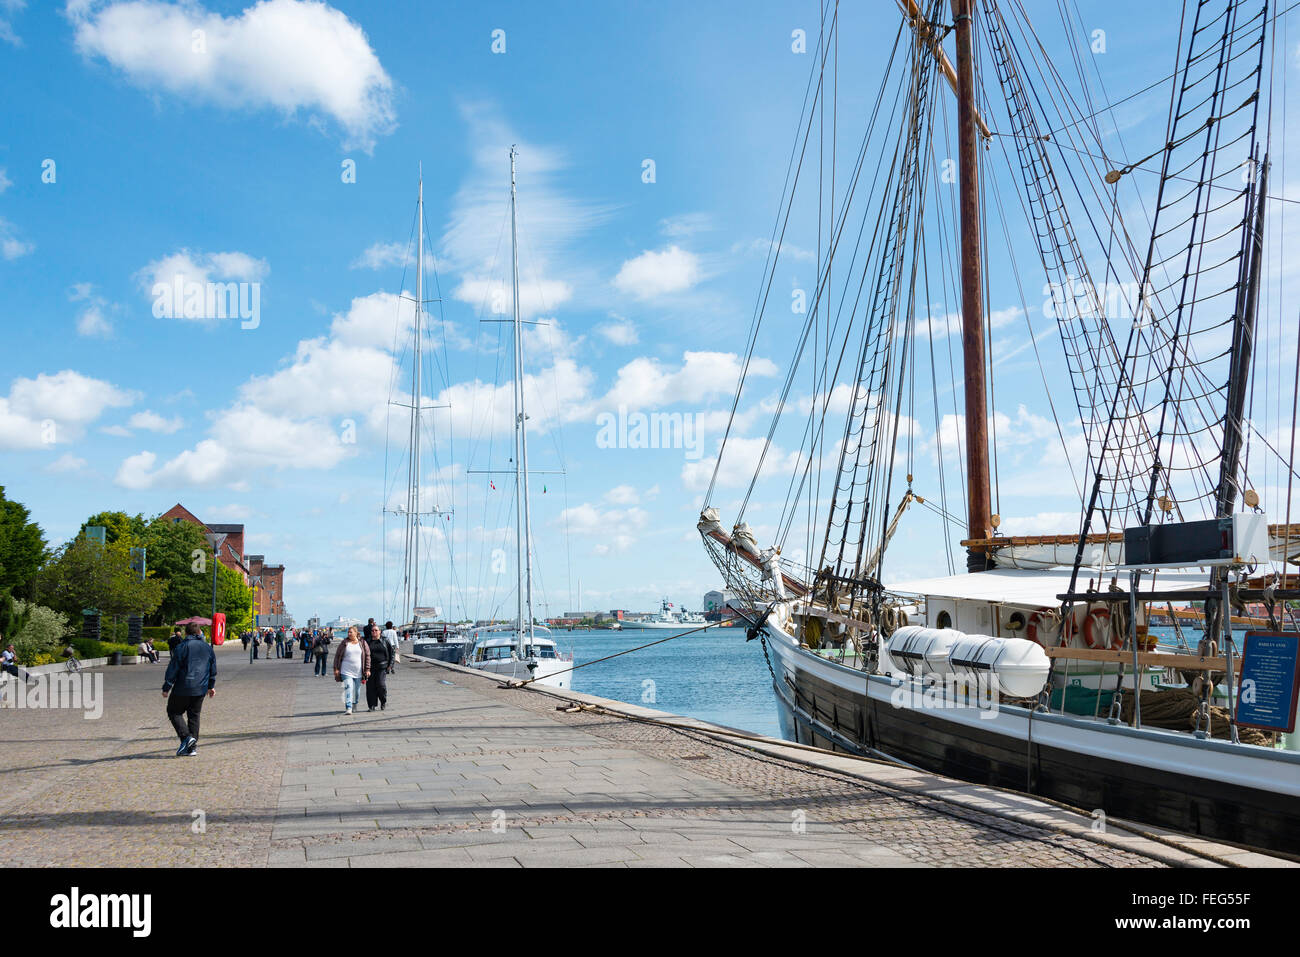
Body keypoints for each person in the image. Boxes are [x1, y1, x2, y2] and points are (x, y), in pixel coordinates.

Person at [161, 623, 216, 757]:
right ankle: (192, 747)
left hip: (183, 687)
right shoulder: (207, 648)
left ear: (186, 633)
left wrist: (167, 686)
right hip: (200, 688)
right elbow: (212, 669)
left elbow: (173, 668)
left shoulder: (182, 647)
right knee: (194, 716)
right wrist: (211, 686)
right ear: (199, 632)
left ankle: (186, 738)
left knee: (174, 711)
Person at [332, 626, 370, 715]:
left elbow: (368, 656)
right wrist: (336, 669)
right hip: (346, 670)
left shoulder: (362, 643)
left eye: (351, 632)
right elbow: (337, 656)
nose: (349, 634)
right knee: (348, 687)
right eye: (348, 632)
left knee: (357, 691)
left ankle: (355, 703)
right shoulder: (344, 643)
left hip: (358, 671)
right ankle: (348, 707)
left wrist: (367, 669)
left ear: (356, 633)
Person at [364, 624, 390, 711]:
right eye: (372, 630)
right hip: (370, 667)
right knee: (370, 687)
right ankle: (372, 705)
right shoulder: (367, 641)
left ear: (380, 631)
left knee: (381, 685)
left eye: (376, 630)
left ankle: (383, 701)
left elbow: (391, 653)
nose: (374, 632)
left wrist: (390, 665)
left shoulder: (385, 641)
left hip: (382, 666)